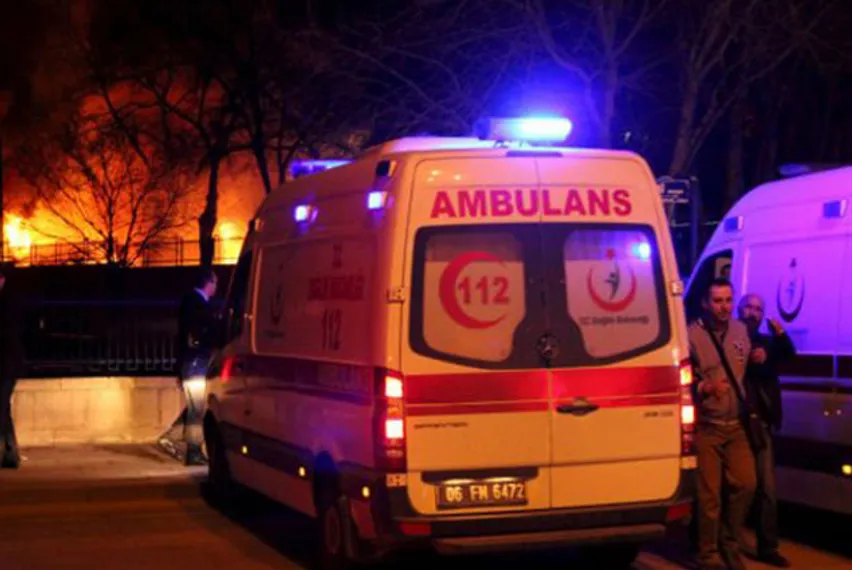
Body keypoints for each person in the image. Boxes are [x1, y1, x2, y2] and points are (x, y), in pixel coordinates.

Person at [688, 278, 757, 570]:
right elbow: (683, 378)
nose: (724, 306)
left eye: (728, 300)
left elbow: (750, 368)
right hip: (708, 426)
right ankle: (708, 553)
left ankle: (729, 542)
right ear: (706, 303)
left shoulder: (741, 331)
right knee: (710, 496)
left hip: (736, 425)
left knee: (747, 484)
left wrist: (762, 357)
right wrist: (705, 387)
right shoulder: (693, 335)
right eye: (717, 301)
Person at [738, 293, 795, 568]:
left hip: (759, 423)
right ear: (739, 309)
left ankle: (768, 547)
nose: (752, 312)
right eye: (748, 307)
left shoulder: (766, 342)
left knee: (767, 490)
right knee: (737, 488)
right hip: (735, 423)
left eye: (758, 309)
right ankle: (719, 542)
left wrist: (777, 339)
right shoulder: (731, 338)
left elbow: (789, 354)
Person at [170, 267, 218, 465]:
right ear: (208, 283)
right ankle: (193, 451)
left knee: (194, 406)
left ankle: (172, 437)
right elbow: (204, 333)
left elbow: (182, 336)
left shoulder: (190, 302)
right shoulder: (198, 305)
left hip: (190, 363)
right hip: (196, 364)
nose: (216, 287)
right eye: (215, 283)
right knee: (196, 410)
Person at [0, 265, 24, 469]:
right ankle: (10, 452)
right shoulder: (10, 301)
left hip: (6, 365)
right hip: (8, 365)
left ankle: (9, 451)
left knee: (2, 407)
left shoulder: (8, 303)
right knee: (3, 408)